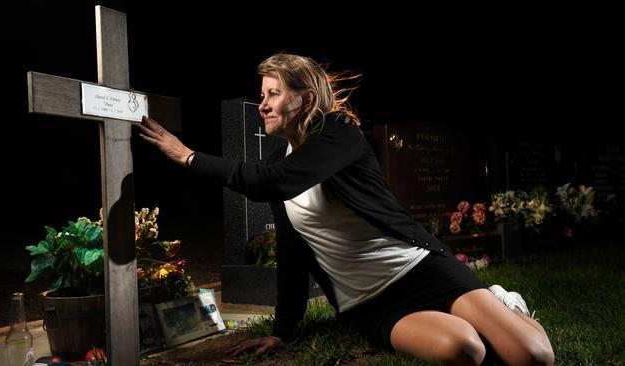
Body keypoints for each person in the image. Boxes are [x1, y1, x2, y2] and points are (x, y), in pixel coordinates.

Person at [139, 53, 555, 365]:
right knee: (464, 349)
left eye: (273, 93)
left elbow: (277, 181)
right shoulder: (276, 160)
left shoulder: (339, 134)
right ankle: (477, 318)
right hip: (369, 303)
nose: (263, 103)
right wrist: (282, 331)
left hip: (419, 270)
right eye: (261, 94)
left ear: (303, 99)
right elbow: (292, 251)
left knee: (534, 357)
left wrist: (190, 157)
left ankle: (505, 304)